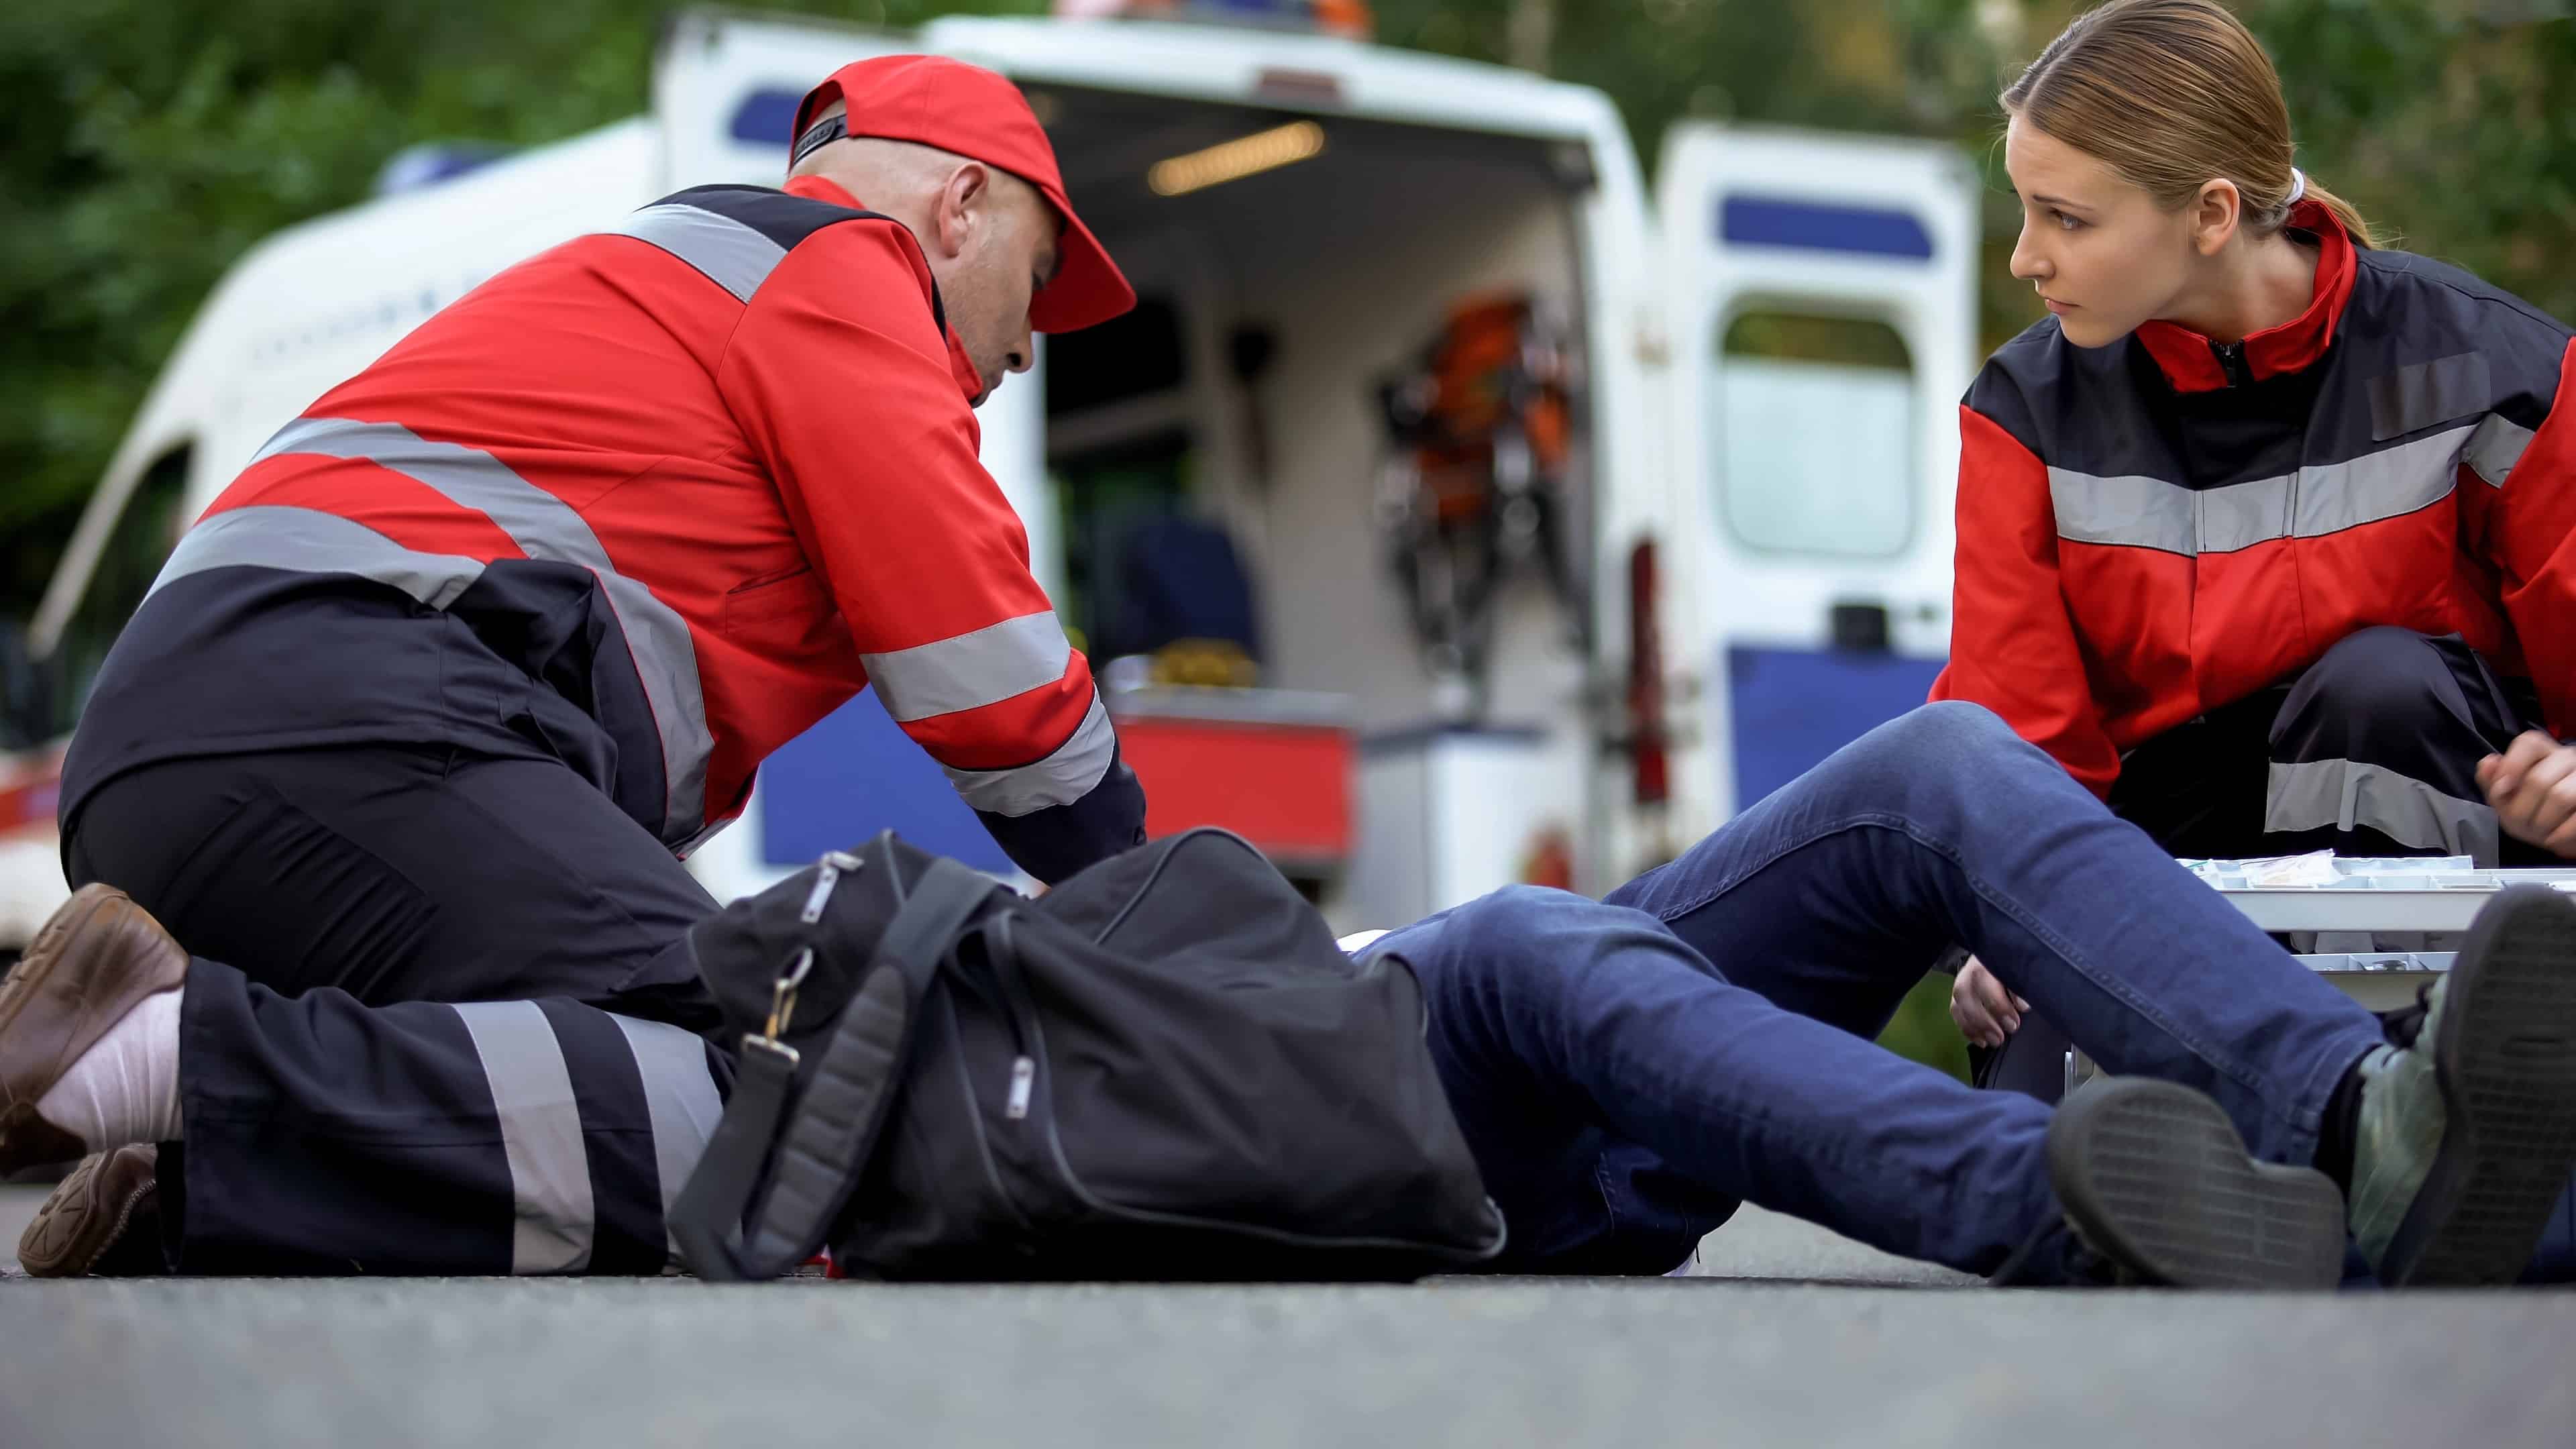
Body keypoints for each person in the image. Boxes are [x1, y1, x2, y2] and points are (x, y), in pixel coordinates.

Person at [12, 703, 2576, 1285]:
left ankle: (2353, 1118)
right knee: (1538, 951)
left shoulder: (479, 996)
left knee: (1917, 773)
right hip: (1330, 1106)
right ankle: (2126, 1216)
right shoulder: (464, 1050)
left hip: (1313, 1033)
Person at [4, 54, 1150, 1275]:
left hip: (208, 754)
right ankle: (138, 1059)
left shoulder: (679, 297)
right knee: (789, 1094)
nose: (1027, 349)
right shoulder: (838, 267)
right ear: (960, 206)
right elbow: (994, 679)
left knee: (608, 1075)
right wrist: (1150, 902)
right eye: (1033, 283)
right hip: (352, 712)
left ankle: (187, 1194)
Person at [1924, 0, 2576, 1103]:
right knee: (2037, 1192)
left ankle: (2424, 1095)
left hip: (2434, 856)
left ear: (2213, 214)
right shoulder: (2023, 411)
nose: (2029, 257)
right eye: (2024, 213)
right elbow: (2015, 737)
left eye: (2065, 218)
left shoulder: (2494, 369)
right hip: (2152, 869)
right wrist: (1993, 923)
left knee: (2380, 681)